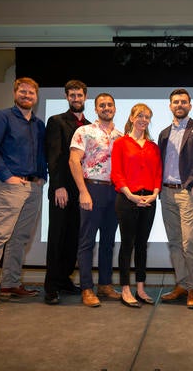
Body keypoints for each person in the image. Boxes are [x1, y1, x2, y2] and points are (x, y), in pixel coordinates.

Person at [0, 77, 46, 313]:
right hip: (10, 185)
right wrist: (7, 176)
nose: (27, 96)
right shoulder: (1, 117)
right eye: (22, 92)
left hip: (33, 187)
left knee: (20, 239)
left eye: (31, 93)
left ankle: (11, 284)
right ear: (15, 93)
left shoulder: (38, 124)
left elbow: (40, 153)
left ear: (36, 96)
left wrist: (42, 177)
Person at [158, 89, 193, 309]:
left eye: (183, 102)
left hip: (187, 192)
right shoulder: (163, 133)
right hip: (166, 192)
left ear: (190, 105)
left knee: (189, 242)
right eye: (175, 102)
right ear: (170, 105)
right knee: (174, 242)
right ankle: (181, 285)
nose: (179, 104)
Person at [69, 93, 123, 307]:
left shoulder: (121, 136)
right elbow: (74, 161)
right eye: (102, 105)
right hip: (92, 188)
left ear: (115, 108)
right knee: (87, 242)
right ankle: (87, 289)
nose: (106, 108)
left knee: (109, 242)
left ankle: (105, 285)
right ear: (96, 109)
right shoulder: (84, 131)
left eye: (110, 104)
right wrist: (83, 191)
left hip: (115, 192)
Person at [43, 80, 91, 305]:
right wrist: (58, 186)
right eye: (72, 95)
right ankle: (51, 287)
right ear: (66, 97)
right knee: (57, 238)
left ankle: (64, 280)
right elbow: (54, 155)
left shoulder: (91, 126)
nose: (76, 98)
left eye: (79, 95)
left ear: (85, 97)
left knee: (73, 238)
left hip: (81, 192)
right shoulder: (56, 121)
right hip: (62, 190)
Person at [111, 103, 162, 308]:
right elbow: (116, 172)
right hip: (127, 199)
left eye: (147, 116)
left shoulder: (153, 146)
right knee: (127, 244)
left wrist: (154, 194)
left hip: (149, 200)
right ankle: (125, 289)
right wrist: (130, 195)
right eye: (139, 115)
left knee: (142, 245)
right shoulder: (121, 143)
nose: (143, 119)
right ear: (132, 118)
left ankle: (140, 288)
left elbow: (158, 172)